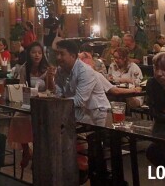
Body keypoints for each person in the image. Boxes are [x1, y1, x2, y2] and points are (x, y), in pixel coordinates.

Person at [46, 39, 115, 126]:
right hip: (79, 112)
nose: (58, 57)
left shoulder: (85, 71)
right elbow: (59, 93)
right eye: (57, 54)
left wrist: (58, 103)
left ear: (73, 56)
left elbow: (79, 100)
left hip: (98, 114)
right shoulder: (60, 70)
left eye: (62, 54)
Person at [9, 42, 49, 176]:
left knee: (38, 123)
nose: (37, 55)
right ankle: (26, 149)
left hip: (44, 103)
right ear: (29, 54)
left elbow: (51, 90)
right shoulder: (24, 68)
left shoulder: (47, 69)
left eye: (39, 52)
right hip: (28, 102)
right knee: (17, 118)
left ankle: (37, 152)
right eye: (33, 52)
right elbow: (21, 87)